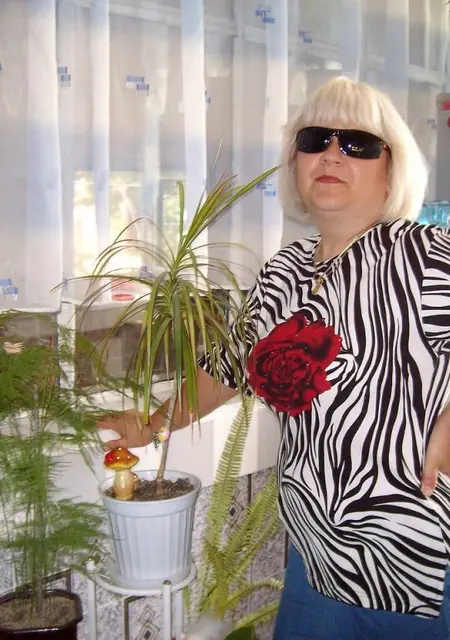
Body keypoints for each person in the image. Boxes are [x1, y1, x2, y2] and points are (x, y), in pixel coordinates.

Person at [98, 76, 450, 639]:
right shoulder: (284, 273)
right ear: (294, 163)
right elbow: (226, 369)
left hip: (421, 568)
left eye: (357, 143)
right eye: (314, 140)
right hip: (318, 561)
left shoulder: (425, 255)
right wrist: (154, 424)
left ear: (393, 168)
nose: (331, 154)